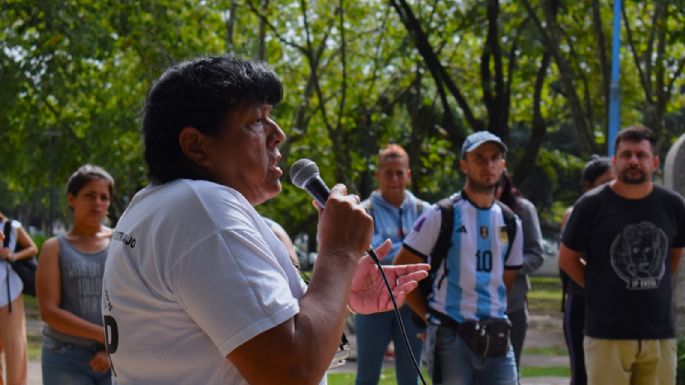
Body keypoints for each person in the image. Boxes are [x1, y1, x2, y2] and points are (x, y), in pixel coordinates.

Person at [101, 54, 430, 385]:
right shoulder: (204, 209)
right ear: (195, 146)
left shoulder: (154, 205)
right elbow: (291, 374)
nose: (279, 134)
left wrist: (338, 292)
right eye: (256, 121)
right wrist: (339, 252)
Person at [559, 125, 685, 385]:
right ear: (615, 161)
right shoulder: (591, 205)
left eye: (641, 154)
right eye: (626, 155)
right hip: (607, 334)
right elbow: (567, 258)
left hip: (658, 334)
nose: (634, 161)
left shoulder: (672, 205)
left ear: (655, 162)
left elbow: (673, 255)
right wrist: (600, 286)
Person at [394, 131, 523, 385]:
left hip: (497, 334)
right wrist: (429, 318)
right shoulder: (441, 214)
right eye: (479, 158)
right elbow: (401, 269)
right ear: (463, 164)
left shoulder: (511, 221)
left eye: (495, 158)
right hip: (450, 334)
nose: (488, 165)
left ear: (503, 164)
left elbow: (506, 281)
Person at [355, 144, 430, 385]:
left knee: (411, 377)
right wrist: (410, 256)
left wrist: (390, 259)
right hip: (371, 305)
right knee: (366, 376)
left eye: (400, 172)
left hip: (413, 303)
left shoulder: (425, 211)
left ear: (408, 174)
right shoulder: (362, 213)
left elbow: (433, 256)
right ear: (378, 175)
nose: (395, 179)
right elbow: (359, 258)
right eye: (388, 173)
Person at [36, 164, 115, 385]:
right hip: (64, 356)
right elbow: (49, 312)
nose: (97, 203)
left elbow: (133, 302)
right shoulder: (55, 247)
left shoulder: (120, 243)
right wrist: (104, 335)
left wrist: (111, 349)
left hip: (115, 357)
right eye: (89, 195)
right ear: (72, 199)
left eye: (103, 197)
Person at [559, 155, 615, 385]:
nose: (610, 188)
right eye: (604, 183)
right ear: (588, 186)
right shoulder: (576, 213)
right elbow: (569, 259)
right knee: (582, 374)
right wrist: (600, 286)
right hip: (583, 302)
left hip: (618, 307)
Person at [495, 174, 544, 378]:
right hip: (472, 308)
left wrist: (510, 267)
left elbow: (536, 254)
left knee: (509, 372)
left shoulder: (521, 210)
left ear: (504, 184)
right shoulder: (462, 210)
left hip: (512, 305)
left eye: (496, 184)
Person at [0, 212, 37, 385]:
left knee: (15, 347)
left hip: (9, 294)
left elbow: (32, 248)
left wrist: (12, 255)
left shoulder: (11, 226)